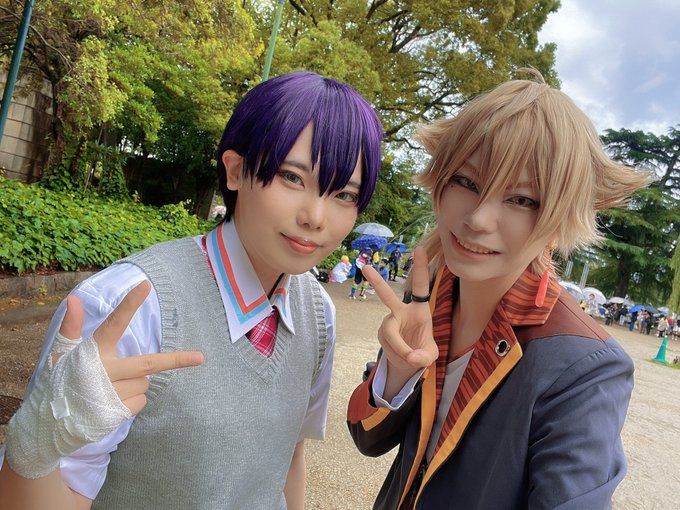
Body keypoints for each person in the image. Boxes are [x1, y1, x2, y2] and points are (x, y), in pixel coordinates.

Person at [0, 71, 383, 510]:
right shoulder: (131, 307)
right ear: (235, 170)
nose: (316, 217)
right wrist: (35, 447)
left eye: (344, 194)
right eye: (292, 177)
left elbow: (288, 459)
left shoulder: (317, 313)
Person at [347, 68, 649, 509]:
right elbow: (366, 437)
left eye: (521, 199)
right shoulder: (430, 299)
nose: (477, 219)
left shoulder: (584, 369)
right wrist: (397, 372)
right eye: (467, 182)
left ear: (560, 221)